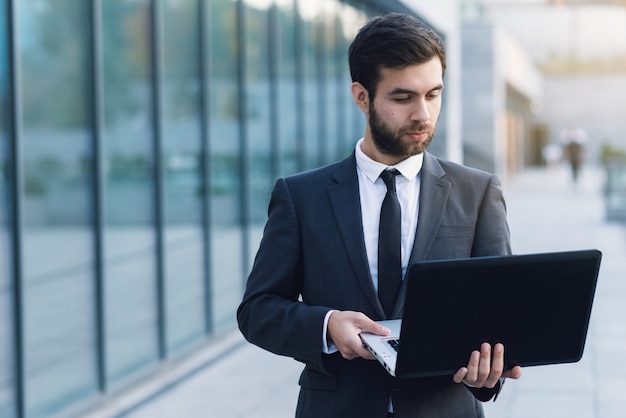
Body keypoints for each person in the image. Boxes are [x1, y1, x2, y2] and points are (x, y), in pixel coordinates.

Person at [237, 13, 522, 418]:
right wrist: (327, 325)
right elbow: (257, 310)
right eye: (403, 98)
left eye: (434, 94)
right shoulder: (301, 197)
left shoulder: (477, 193)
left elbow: (500, 312)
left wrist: (487, 373)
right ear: (361, 96)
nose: (423, 114)